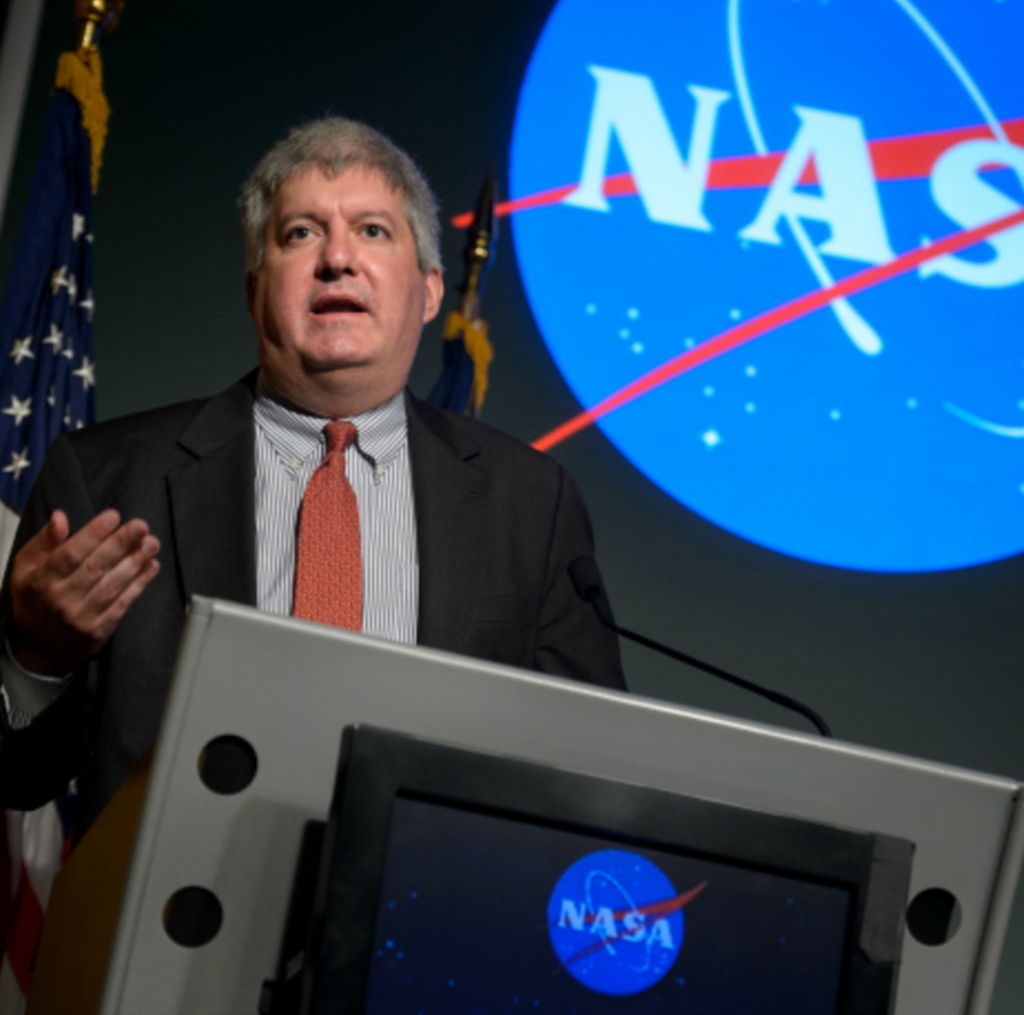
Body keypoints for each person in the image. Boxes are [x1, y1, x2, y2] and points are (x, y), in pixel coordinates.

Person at [0, 118, 624, 835]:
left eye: (373, 231)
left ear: (427, 292)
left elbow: (590, 777)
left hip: (416, 929)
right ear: (253, 290)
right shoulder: (103, 477)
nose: (337, 258)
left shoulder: (530, 504)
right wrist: (36, 659)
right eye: (300, 233)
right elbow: (20, 781)